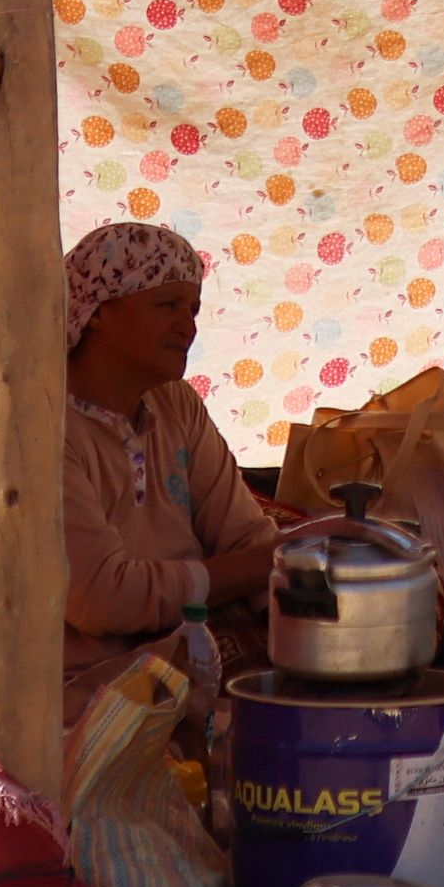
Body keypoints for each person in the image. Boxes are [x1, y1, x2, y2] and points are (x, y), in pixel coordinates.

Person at [58, 219, 277, 720]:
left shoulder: (176, 404)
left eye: (193, 309)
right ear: (96, 311)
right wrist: (266, 564)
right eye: (166, 305)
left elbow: (243, 534)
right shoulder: (46, 427)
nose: (188, 326)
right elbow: (101, 597)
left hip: (190, 650)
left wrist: (295, 595)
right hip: (90, 688)